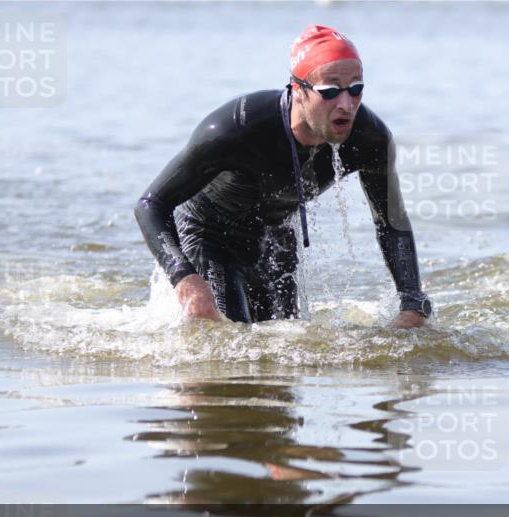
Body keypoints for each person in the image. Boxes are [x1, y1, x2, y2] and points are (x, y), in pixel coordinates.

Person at [134, 25, 431, 328]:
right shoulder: (237, 128)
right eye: (330, 91)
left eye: (355, 88)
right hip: (210, 238)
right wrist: (184, 278)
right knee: (233, 345)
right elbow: (150, 204)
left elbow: (391, 221)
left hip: (277, 242)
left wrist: (412, 302)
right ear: (299, 91)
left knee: (288, 350)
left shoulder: (370, 140)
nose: (346, 104)